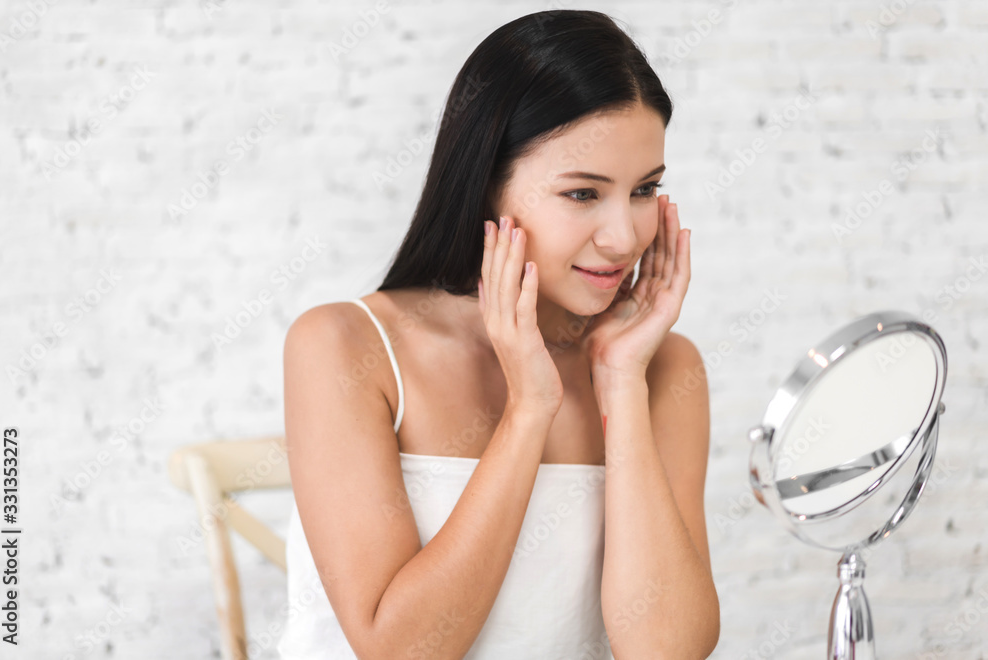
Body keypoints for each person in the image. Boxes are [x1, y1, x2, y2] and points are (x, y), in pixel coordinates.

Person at [278, 9, 719, 659]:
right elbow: (402, 651)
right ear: (488, 185)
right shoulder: (347, 346)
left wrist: (622, 383)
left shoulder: (663, 367)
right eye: (582, 194)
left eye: (644, 189)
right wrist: (529, 410)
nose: (624, 237)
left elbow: (668, 651)